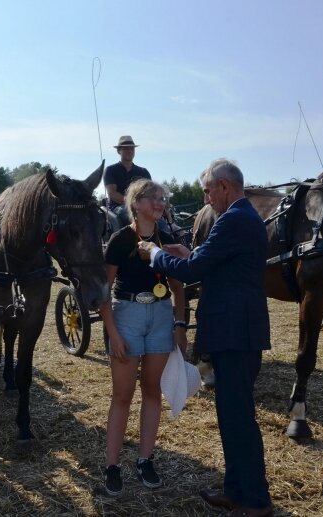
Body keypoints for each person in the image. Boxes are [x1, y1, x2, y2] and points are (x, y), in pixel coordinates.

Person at [138, 159, 272, 516]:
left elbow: (195, 271)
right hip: (237, 331)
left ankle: (255, 500)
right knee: (231, 415)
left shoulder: (234, 219)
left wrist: (154, 254)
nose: (205, 197)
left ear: (225, 186)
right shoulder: (242, 218)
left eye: (208, 190)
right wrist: (189, 251)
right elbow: (214, 263)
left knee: (239, 417)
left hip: (235, 334)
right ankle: (236, 490)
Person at [101, 179, 187, 496]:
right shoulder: (121, 240)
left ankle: (144, 460)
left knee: (152, 391)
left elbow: (178, 288)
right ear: (136, 204)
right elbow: (103, 292)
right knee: (122, 395)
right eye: (153, 198)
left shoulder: (169, 238)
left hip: (162, 318)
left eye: (162, 198)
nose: (159, 202)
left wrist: (180, 326)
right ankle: (112, 465)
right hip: (127, 317)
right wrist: (113, 333)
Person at [104, 135, 152, 227]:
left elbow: (150, 193)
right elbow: (112, 194)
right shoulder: (111, 170)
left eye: (132, 149)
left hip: (142, 208)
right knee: (133, 216)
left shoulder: (143, 172)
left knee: (160, 220)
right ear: (119, 151)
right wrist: (133, 203)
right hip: (118, 207)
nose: (129, 151)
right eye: (126, 149)